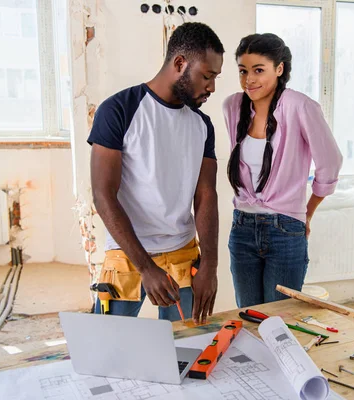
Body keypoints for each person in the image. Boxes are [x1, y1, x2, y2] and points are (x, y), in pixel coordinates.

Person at [88, 22, 224, 324]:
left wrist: (210, 267)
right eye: (207, 76)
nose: (211, 87)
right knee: (108, 351)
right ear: (179, 64)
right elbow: (103, 194)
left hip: (183, 252)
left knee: (187, 347)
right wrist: (147, 268)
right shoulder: (119, 110)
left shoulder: (202, 125)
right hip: (128, 255)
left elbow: (206, 196)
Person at [223, 33, 343, 308]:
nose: (249, 80)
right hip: (241, 226)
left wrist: (307, 212)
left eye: (258, 70)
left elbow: (330, 161)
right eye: (243, 71)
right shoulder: (232, 106)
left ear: (279, 69)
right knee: (249, 316)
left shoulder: (300, 106)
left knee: (279, 319)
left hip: (285, 229)